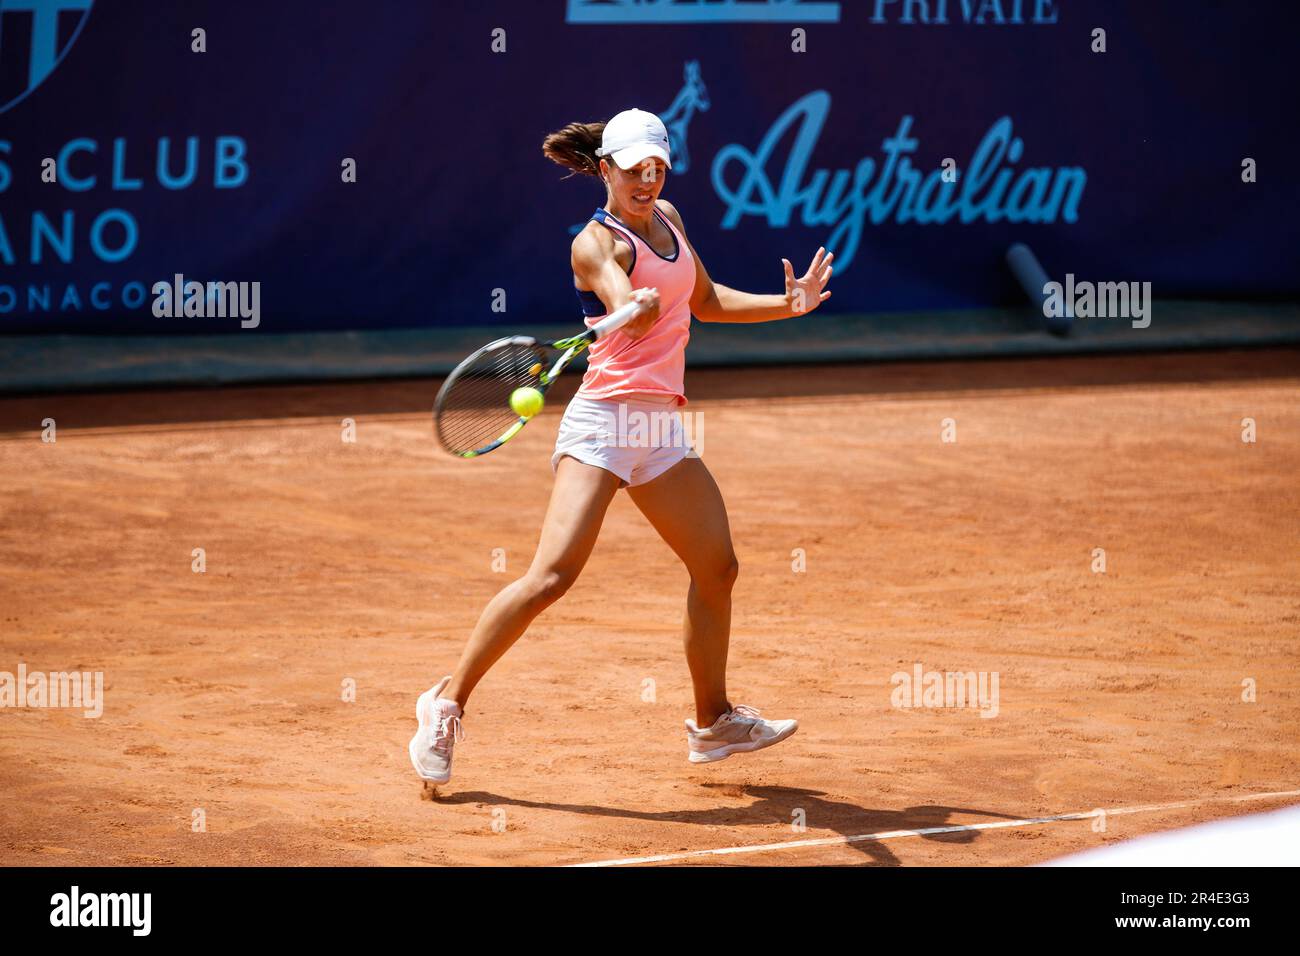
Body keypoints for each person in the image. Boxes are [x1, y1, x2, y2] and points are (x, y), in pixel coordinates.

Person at [410, 108, 833, 785]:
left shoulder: (670, 220)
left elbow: (708, 301)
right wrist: (626, 306)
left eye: (656, 166)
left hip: (659, 427)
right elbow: (617, 290)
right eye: (634, 167)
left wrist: (792, 304)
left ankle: (713, 721)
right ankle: (445, 702)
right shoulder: (593, 243)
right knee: (551, 577)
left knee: (717, 568)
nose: (646, 178)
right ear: (604, 169)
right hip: (605, 424)